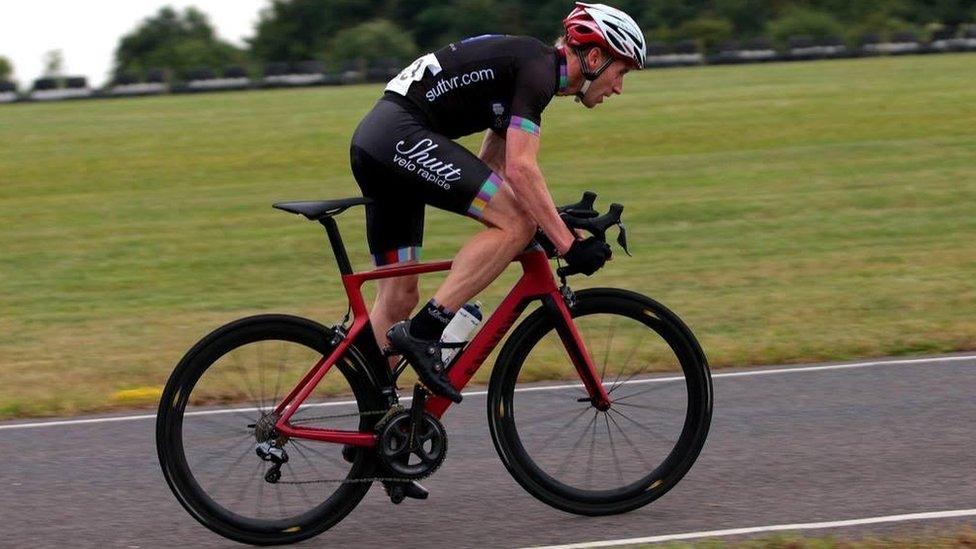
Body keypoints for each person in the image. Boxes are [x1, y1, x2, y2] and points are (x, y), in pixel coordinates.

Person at [348, 3, 645, 500]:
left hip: (380, 141)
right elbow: (522, 173)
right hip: (399, 136)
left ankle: (373, 440)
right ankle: (428, 329)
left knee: (398, 296)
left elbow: (493, 166)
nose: (619, 86)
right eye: (621, 71)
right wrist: (566, 244)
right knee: (514, 222)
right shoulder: (537, 71)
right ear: (593, 57)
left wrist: (555, 222)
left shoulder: (524, 69)